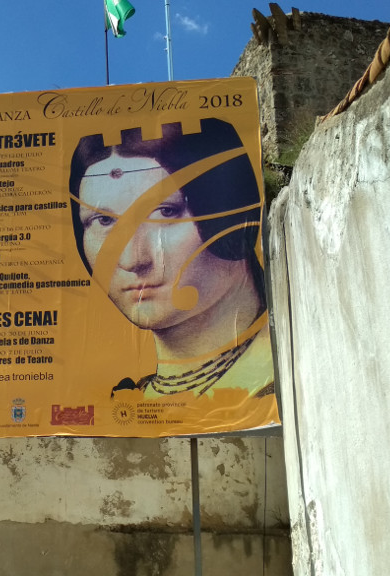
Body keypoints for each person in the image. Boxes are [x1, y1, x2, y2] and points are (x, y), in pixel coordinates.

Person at [68, 119, 275, 406]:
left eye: (165, 212)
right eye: (104, 221)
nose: (133, 259)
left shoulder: (291, 374)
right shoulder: (128, 401)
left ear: (231, 215)